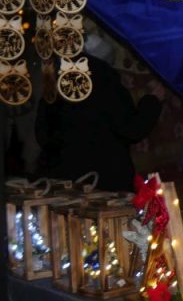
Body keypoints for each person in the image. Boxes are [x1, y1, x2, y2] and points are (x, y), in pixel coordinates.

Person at [36, 30, 163, 192]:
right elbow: (131, 129)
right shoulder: (106, 83)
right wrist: (152, 102)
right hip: (104, 183)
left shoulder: (56, 85)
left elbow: (42, 135)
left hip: (62, 183)